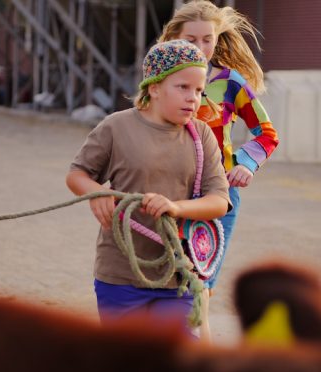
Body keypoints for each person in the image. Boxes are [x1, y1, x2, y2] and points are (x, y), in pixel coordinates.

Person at [66, 40, 230, 336]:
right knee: (127, 364)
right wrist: (96, 193)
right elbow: (77, 174)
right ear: (153, 88)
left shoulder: (202, 136)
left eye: (198, 90)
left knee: (177, 360)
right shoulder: (116, 127)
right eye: (182, 87)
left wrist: (176, 207)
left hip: (179, 274)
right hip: (121, 274)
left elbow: (219, 200)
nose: (193, 98)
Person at [160, 0, 280, 339]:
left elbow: (267, 133)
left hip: (218, 198)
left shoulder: (230, 84)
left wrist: (245, 164)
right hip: (167, 195)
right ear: (174, 39)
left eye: (207, 40)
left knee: (200, 289)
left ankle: (201, 366)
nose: (200, 48)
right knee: (170, 285)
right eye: (191, 40)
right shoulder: (160, 80)